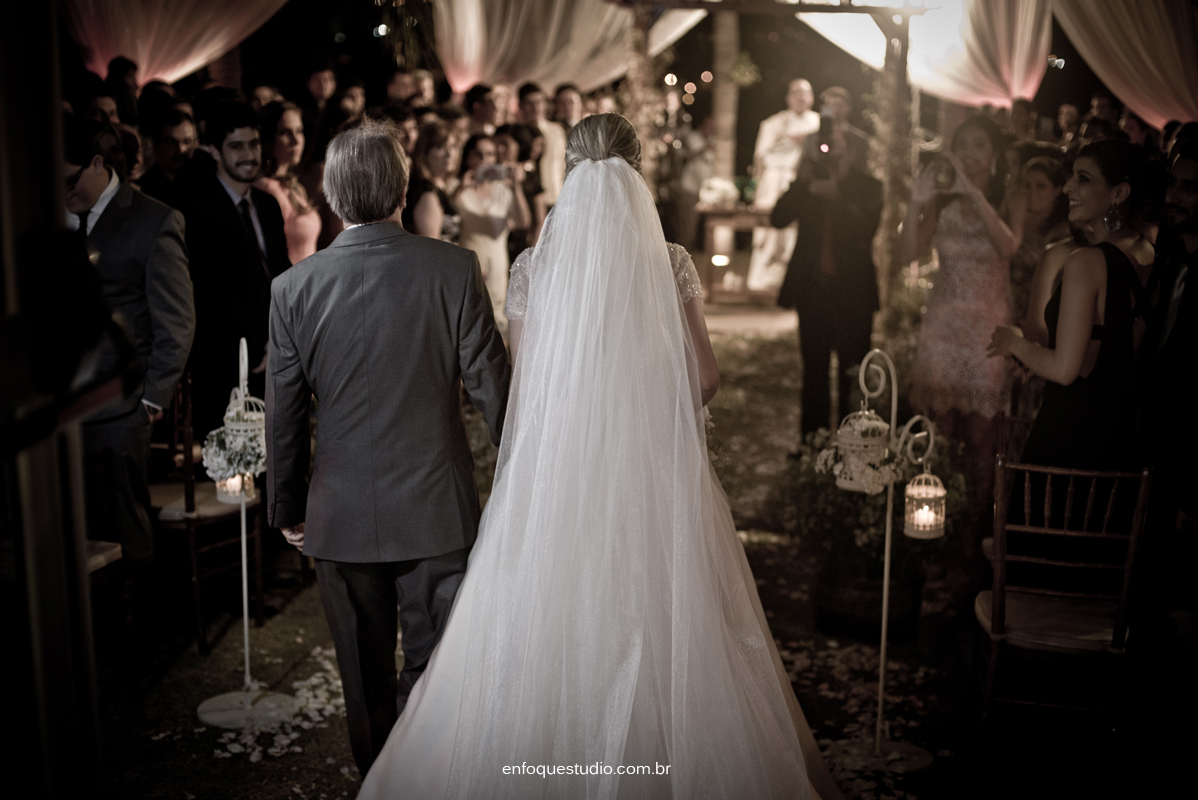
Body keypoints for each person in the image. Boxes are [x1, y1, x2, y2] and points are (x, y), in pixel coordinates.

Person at [356, 112, 843, 800]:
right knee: (661, 612)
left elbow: (527, 390)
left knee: (545, 615)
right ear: (637, 169)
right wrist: (648, 403)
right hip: (651, 476)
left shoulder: (533, 268)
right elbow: (704, 378)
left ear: (571, 175)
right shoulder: (670, 262)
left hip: (557, 480)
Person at [265, 118, 511, 778]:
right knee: (438, 672)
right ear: (401, 189)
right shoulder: (454, 268)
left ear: (332, 197)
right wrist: (523, 481)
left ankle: (380, 784)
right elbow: (496, 390)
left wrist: (288, 504)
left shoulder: (293, 289)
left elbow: (285, 414)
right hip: (438, 509)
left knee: (364, 682)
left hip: (340, 515)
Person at [63, 115, 194, 577]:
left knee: (123, 528)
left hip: (121, 410)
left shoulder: (153, 219)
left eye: (69, 180)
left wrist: (151, 400)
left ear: (97, 164)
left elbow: (176, 321)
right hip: (60, 407)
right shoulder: (53, 216)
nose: (62, 191)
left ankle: (140, 633)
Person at [988, 140, 1157, 473]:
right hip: (1119, 437)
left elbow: (1066, 370)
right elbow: (1107, 351)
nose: (1067, 187)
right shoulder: (1147, 251)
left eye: (1083, 178)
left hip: (1073, 435)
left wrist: (1013, 342)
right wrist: (1036, 359)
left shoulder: (1087, 262)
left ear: (1119, 193)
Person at [902, 115, 1019, 484]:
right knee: (941, 429)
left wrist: (973, 191)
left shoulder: (1009, 197)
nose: (969, 153)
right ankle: (941, 518)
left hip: (988, 327)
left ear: (994, 154)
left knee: (983, 435)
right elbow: (906, 254)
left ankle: (978, 524)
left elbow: (1007, 246)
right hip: (944, 323)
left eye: (979, 145)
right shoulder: (940, 200)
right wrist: (915, 203)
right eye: (962, 145)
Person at [175, 100, 291, 439]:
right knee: (232, 475)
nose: (249, 155)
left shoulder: (267, 205)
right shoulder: (196, 210)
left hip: (274, 353)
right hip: (224, 361)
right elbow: (211, 291)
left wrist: (278, 339)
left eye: (253, 144)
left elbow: (280, 276)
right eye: (236, 146)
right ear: (213, 150)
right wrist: (259, 344)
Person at [773, 122, 881, 437]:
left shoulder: (869, 186)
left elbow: (866, 230)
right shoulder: (809, 182)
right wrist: (802, 180)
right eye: (823, 146)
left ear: (850, 149)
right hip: (813, 293)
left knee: (854, 377)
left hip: (854, 296)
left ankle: (853, 450)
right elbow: (777, 218)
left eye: (834, 145)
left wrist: (837, 196)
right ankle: (813, 448)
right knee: (814, 375)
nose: (829, 151)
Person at [748, 78, 819, 292]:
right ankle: (761, 283)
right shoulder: (773, 123)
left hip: (806, 187)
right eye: (795, 92)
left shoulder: (819, 123)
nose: (800, 97)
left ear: (812, 97)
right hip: (775, 183)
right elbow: (761, 156)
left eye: (804, 92)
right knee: (769, 233)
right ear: (788, 97)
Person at [454, 134, 531, 326]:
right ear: (468, 158)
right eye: (477, 154)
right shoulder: (457, 188)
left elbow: (523, 222)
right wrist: (461, 189)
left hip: (497, 265)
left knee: (498, 322)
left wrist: (516, 187)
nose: (483, 160)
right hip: (467, 265)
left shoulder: (503, 191)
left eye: (489, 154)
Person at [255, 101, 322, 263]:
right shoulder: (266, 188)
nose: (296, 140)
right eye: (285, 132)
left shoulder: (295, 186)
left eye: (299, 131)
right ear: (268, 138)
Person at [1008, 157, 1072, 325]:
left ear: (1058, 189)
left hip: (1035, 314)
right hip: (1001, 305)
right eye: (1027, 185)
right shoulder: (1016, 220)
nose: (1032, 191)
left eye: (1041, 186)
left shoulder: (1061, 232)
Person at [402, 121, 461, 243]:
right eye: (440, 147)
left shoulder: (438, 187)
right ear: (425, 152)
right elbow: (431, 250)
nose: (450, 154)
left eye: (453, 146)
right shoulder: (427, 194)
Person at [494, 122, 546, 260]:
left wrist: (531, 256)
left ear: (519, 147)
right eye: (497, 144)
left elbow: (540, 220)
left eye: (505, 144)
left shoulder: (530, 177)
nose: (499, 149)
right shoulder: (488, 176)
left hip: (522, 247)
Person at [519, 82, 566, 208]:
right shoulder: (517, 133)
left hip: (557, 196)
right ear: (521, 106)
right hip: (529, 200)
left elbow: (562, 162)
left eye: (539, 102)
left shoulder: (557, 130)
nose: (536, 107)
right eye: (530, 103)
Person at [137, 107, 197, 204]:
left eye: (187, 142)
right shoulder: (144, 192)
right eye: (172, 142)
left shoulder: (203, 185)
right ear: (155, 145)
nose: (181, 150)